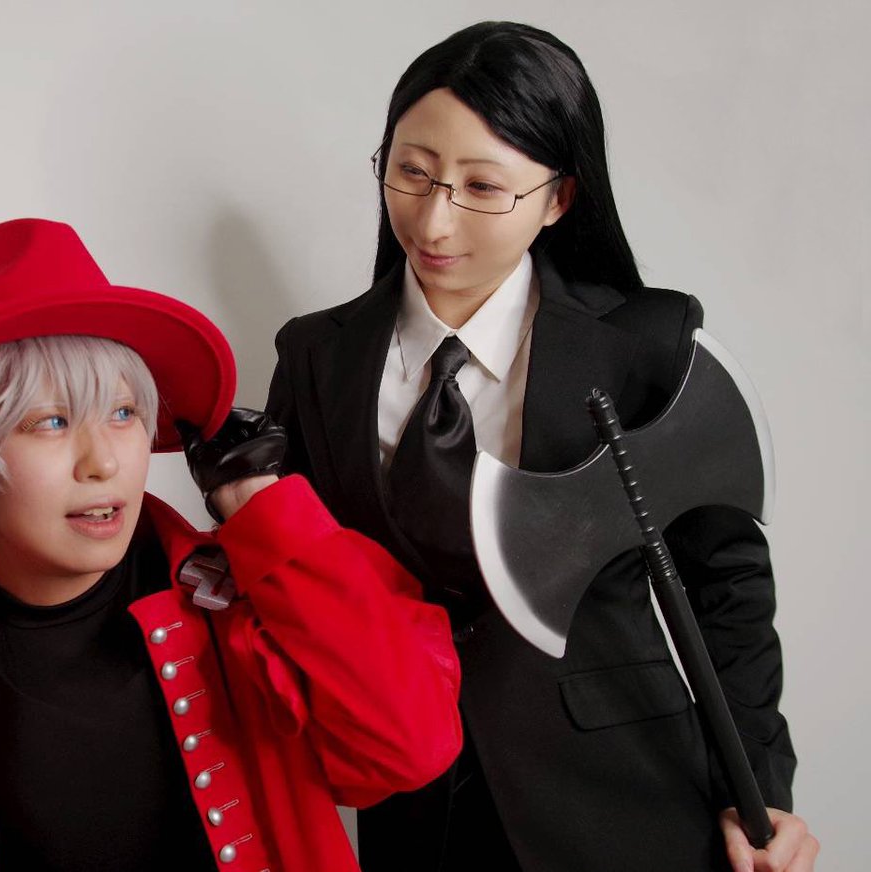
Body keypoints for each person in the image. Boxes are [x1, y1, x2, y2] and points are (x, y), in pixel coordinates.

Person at [0, 218, 462, 871]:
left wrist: (261, 507)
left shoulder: (251, 606)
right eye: (50, 422)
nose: (104, 461)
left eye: (124, 412)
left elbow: (412, 745)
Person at [266, 21, 818, 872]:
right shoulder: (316, 354)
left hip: (626, 797)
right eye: (412, 172)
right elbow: (304, 580)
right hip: (413, 806)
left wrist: (763, 791)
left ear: (559, 198)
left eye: (483, 186)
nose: (435, 218)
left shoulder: (642, 343)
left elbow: (727, 587)